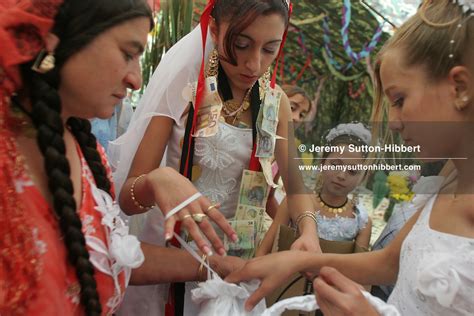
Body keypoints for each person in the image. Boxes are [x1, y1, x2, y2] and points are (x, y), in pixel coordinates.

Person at [226, 1, 474, 315]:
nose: (394, 122)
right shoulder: (446, 183)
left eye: (400, 99)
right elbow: (387, 263)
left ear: (460, 87)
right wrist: (300, 259)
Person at [0, 1, 244, 315]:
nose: (136, 80)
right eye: (128, 54)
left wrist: (214, 266)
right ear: (54, 40)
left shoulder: (85, 153)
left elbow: (108, 259)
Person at [109, 0, 322, 314]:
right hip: (173, 261)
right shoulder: (185, 89)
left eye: (269, 49)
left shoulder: (276, 104)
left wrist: (309, 231)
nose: (253, 64)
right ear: (215, 28)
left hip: (236, 268)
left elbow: (295, 183)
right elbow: (128, 199)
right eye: (241, 45)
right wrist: (156, 183)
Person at [257, 123, 373, 257]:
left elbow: (355, 268)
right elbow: (264, 250)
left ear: (363, 177)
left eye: (352, 171)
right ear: (322, 162)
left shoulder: (361, 221)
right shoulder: (295, 200)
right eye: (335, 165)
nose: (341, 175)